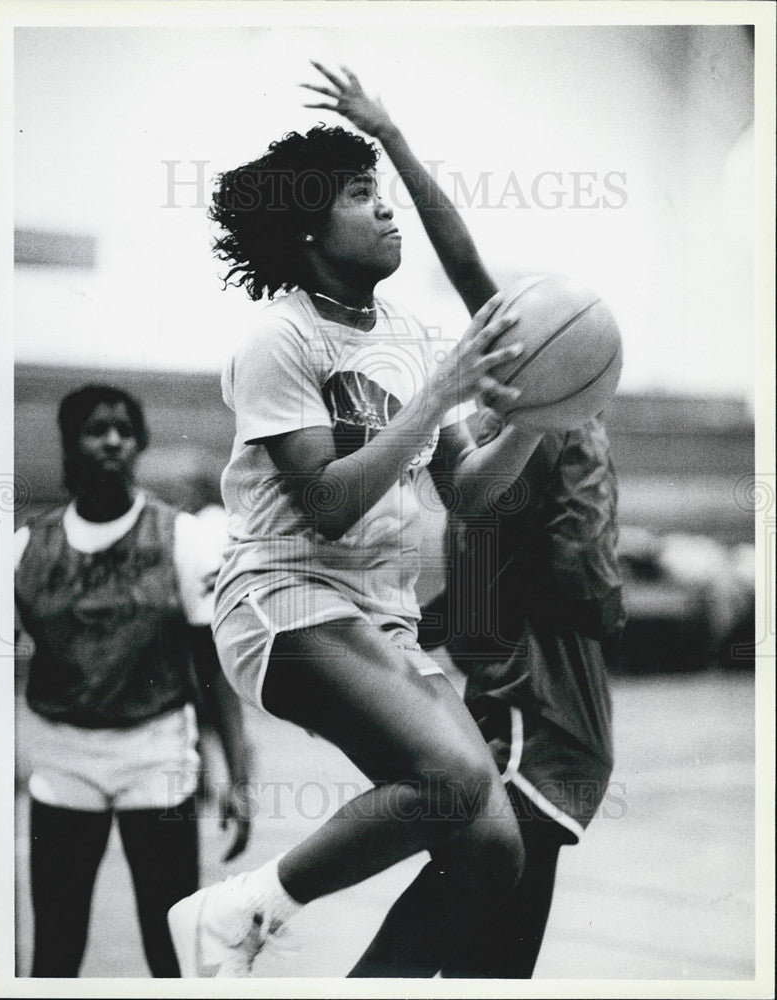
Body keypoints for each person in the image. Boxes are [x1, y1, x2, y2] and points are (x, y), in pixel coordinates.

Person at [166, 85, 553, 978]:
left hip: (380, 612)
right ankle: (236, 914)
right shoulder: (279, 337)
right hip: (280, 595)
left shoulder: (414, 336)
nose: (384, 207)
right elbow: (330, 503)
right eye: (356, 194)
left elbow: (469, 495)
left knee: (493, 846)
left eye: (379, 189)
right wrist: (440, 396)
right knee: (456, 778)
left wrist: (532, 421)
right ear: (307, 228)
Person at [302, 63, 626, 977]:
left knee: (485, 959)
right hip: (538, 719)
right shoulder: (506, 443)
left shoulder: (549, 432)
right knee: (447, 947)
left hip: (552, 714)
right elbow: (468, 267)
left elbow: (476, 605)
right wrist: (393, 138)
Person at [14, 385, 253, 978]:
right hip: (63, 754)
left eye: (125, 430)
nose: (113, 440)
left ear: (140, 445)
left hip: (157, 753)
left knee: (169, 945)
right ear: (70, 445)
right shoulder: (24, 549)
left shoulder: (182, 538)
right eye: (96, 430)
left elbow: (213, 671)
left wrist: (240, 776)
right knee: (57, 948)